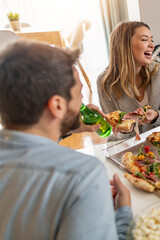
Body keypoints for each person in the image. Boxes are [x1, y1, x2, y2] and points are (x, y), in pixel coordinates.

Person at [0, 41, 132, 240]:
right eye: (79, 92)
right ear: (57, 105)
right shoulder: (83, 174)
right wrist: (124, 213)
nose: (84, 102)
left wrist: (70, 124)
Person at [97, 21, 160, 139]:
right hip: (125, 147)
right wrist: (125, 127)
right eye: (145, 39)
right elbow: (114, 127)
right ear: (124, 45)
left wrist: (156, 115)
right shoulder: (105, 82)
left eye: (152, 40)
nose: (151, 45)